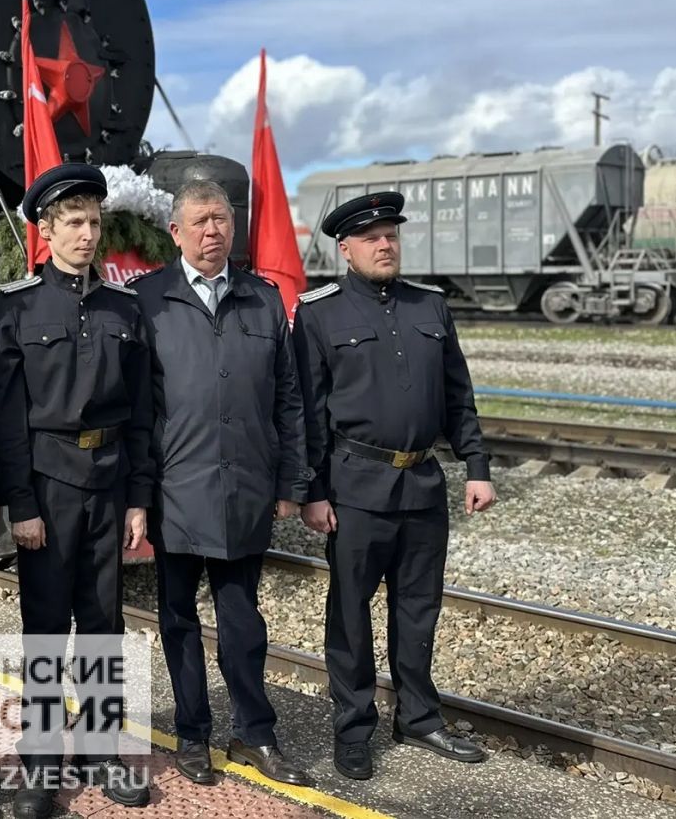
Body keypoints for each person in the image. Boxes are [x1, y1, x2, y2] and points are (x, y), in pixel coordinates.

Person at [291, 191, 496, 782]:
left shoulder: (429, 306)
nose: (386, 245)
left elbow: (458, 394)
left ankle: (419, 716)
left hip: (424, 485)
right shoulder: (319, 312)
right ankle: (353, 729)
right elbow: (307, 410)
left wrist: (476, 465)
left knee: (419, 609)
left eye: (392, 235)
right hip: (355, 488)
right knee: (350, 615)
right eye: (372, 238)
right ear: (345, 248)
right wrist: (312, 490)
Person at [130, 179, 313, 788]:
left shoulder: (261, 299)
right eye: (201, 222)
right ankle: (192, 734)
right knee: (178, 618)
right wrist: (140, 494)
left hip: (246, 489)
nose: (214, 232)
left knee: (242, 619)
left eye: (223, 221)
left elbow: (289, 398)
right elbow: (137, 409)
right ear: (176, 232)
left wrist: (292, 479)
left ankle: (254, 732)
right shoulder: (148, 300)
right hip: (177, 490)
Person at [0, 163, 154, 819]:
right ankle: (37, 761)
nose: (87, 235)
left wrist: (139, 498)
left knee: (102, 626)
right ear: (46, 230)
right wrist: (20, 505)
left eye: (94, 222)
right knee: (42, 629)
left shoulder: (124, 309)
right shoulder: (18, 307)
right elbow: (6, 416)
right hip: (48, 485)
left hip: (109, 483)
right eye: (73, 223)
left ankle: (99, 749)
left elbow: (140, 412)